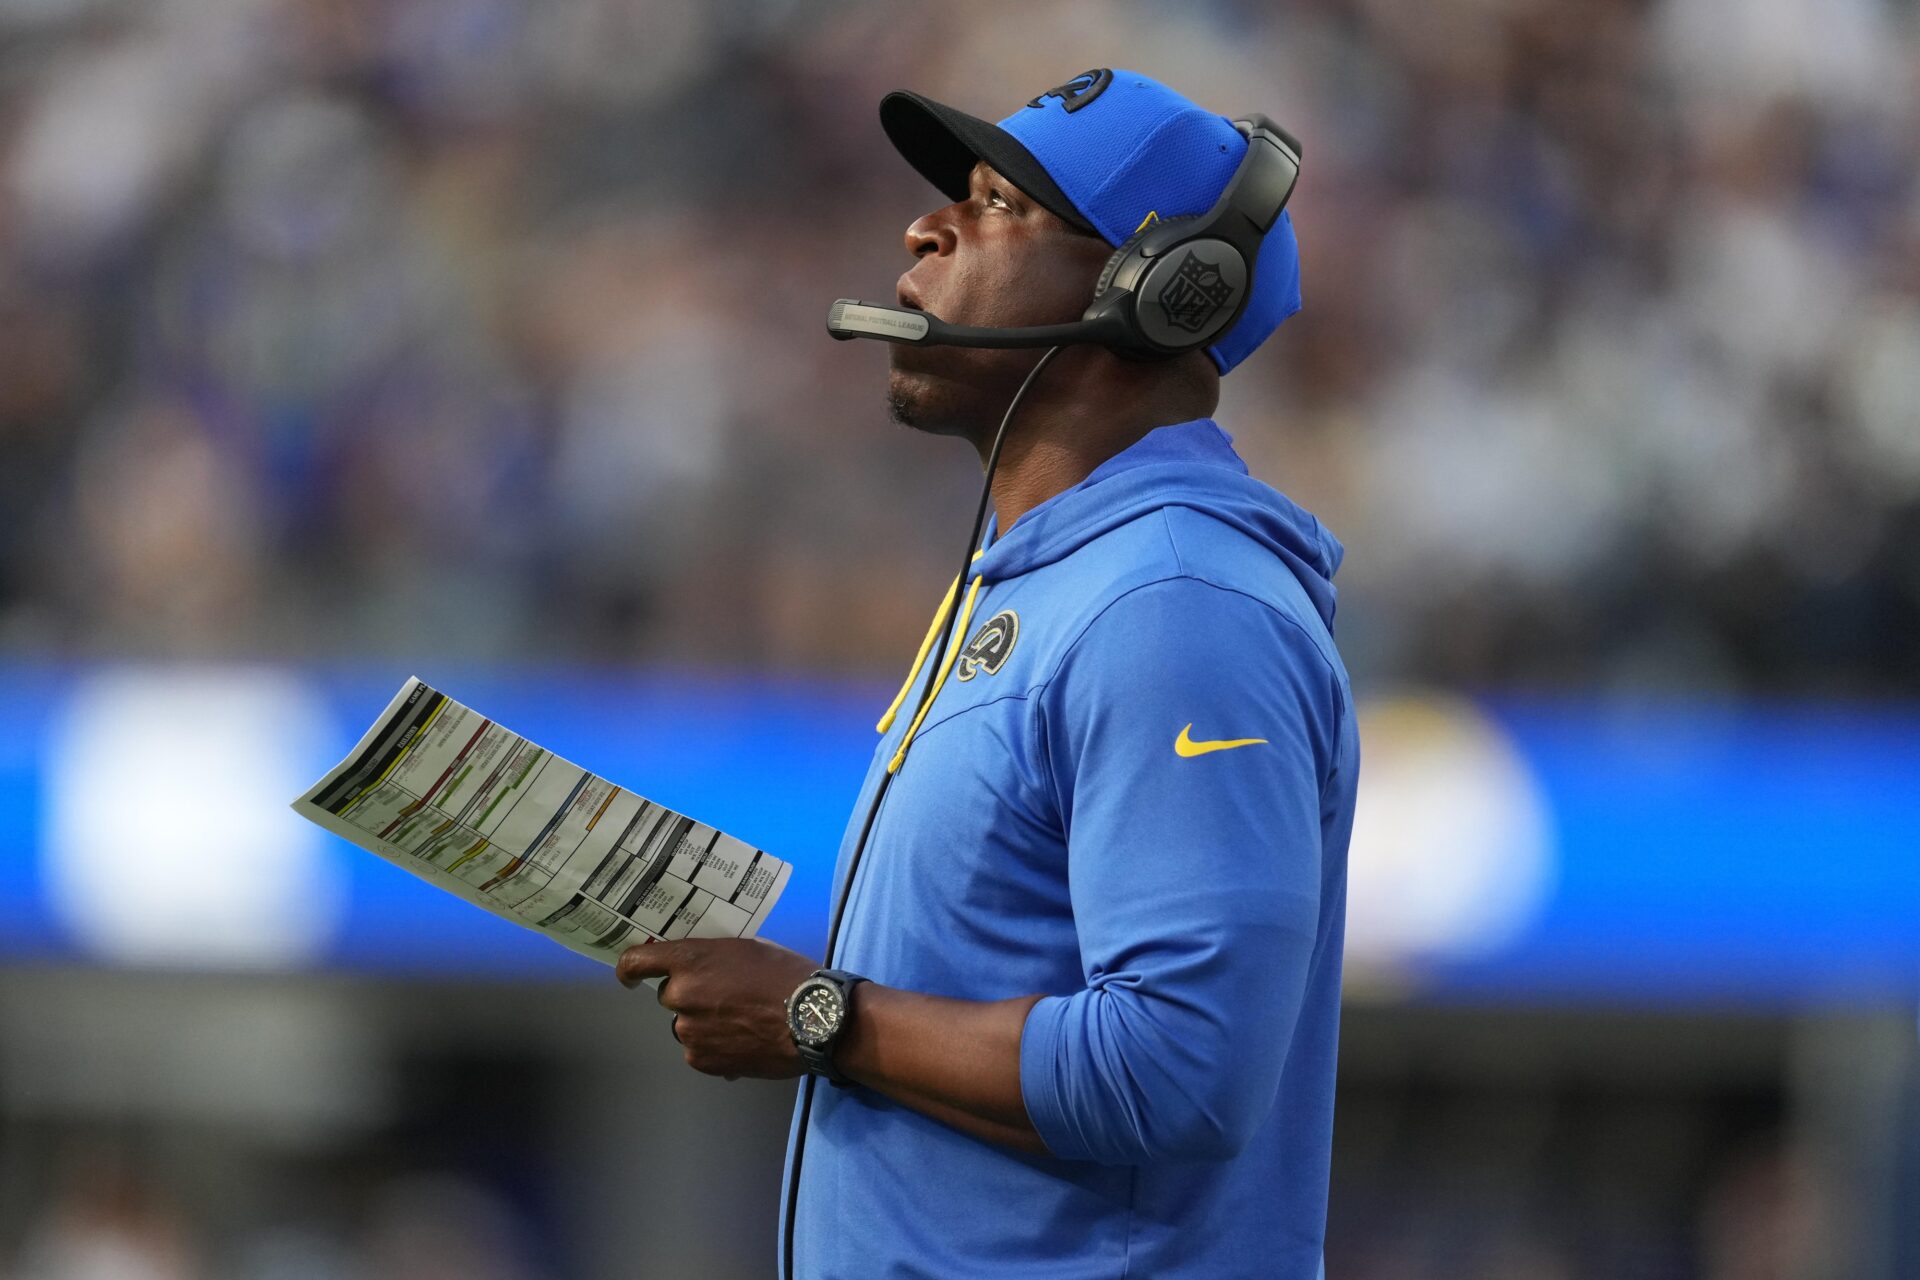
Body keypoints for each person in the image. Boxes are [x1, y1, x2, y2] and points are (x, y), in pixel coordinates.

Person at [619, 68, 1358, 1280]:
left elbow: (1179, 1064)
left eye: (1002, 205)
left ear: (1164, 293)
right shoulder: (1045, 583)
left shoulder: (1175, 607)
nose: (926, 228)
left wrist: (822, 1014)